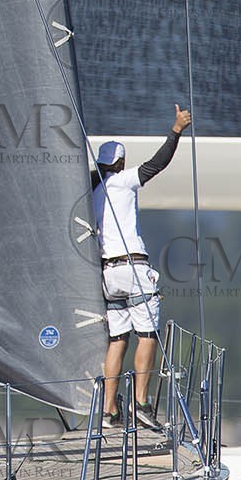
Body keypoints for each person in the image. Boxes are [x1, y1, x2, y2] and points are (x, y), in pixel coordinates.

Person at [94, 105, 192, 429]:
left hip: (108, 274)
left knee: (117, 339)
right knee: (147, 334)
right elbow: (157, 164)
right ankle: (141, 403)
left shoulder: (91, 191)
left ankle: (108, 411)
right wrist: (176, 130)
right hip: (134, 268)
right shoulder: (122, 181)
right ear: (120, 163)